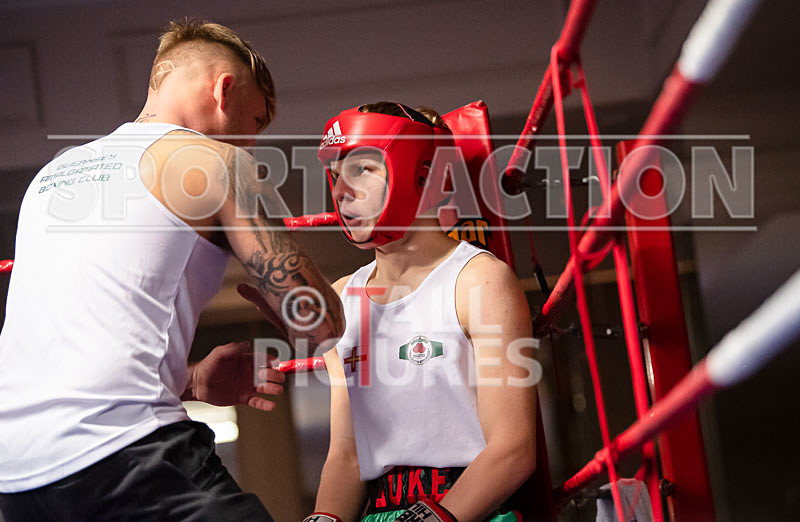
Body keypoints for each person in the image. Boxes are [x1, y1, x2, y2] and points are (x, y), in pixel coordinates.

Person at [0, 19, 343, 521]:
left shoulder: (52, 176)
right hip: (126, 457)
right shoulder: (215, 161)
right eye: (254, 121)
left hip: (17, 480)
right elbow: (321, 325)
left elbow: (68, 360)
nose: (250, 145)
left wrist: (188, 377)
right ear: (225, 91)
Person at [304, 102, 539, 522]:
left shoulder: (478, 281)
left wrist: (434, 518)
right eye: (336, 174)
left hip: (470, 508)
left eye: (361, 169)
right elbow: (347, 456)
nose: (340, 191)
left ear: (422, 174)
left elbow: (513, 449)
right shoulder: (341, 300)